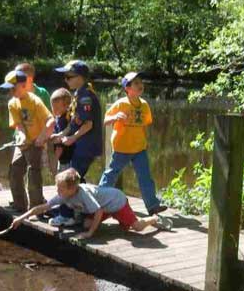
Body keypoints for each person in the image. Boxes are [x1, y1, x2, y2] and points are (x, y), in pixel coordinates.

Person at [10, 168, 172, 239]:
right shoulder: (65, 195)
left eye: (60, 189)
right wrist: (21, 218)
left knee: (136, 228)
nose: (57, 191)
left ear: (72, 188)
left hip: (117, 203)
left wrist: (90, 234)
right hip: (103, 207)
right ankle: (121, 223)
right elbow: (42, 207)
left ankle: (155, 219)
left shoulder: (83, 194)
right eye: (57, 188)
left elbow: (99, 210)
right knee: (87, 223)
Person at [98, 72, 167, 215]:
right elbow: (105, 121)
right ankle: (98, 199)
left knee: (145, 177)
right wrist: (115, 117)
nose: (140, 85)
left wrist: (145, 142)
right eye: (135, 83)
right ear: (127, 88)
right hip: (122, 148)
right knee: (111, 174)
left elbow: (145, 125)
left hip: (139, 148)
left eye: (141, 82)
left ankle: (152, 206)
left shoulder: (145, 105)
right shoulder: (121, 104)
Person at [51, 60, 103, 226]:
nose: (66, 80)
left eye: (69, 77)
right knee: (77, 180)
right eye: (65, 77)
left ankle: (67, 216)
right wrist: (62, 134)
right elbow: (75, 122)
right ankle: (79, 212)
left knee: (69, 180)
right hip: (80, 145)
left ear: (80, 78)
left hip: (86, 146)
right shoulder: (79, 94)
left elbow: (88, 124)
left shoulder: (86, 96)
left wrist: (71, 138)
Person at [0, 70, 55, 213]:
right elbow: (19, 125)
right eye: (8, 89)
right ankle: (20, 205)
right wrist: (22, 137)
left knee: (33, 173)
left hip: (36, 143)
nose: (11, 92)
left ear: (24, 85)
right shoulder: (12, 103)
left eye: (13, 88)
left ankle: (36, 207)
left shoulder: (35, 101)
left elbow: (51, 121)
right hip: (23, 143)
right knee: (15, 170)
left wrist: (41, 138)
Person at [48, 88, 74, 175]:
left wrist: (56, 155)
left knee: (64, 175)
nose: (54, 110)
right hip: (62, 156)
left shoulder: (65, 119)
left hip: (65, 154)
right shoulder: (58, 118)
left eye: (56, 107)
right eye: (52, 106)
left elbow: (62, 138)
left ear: (67, 106)